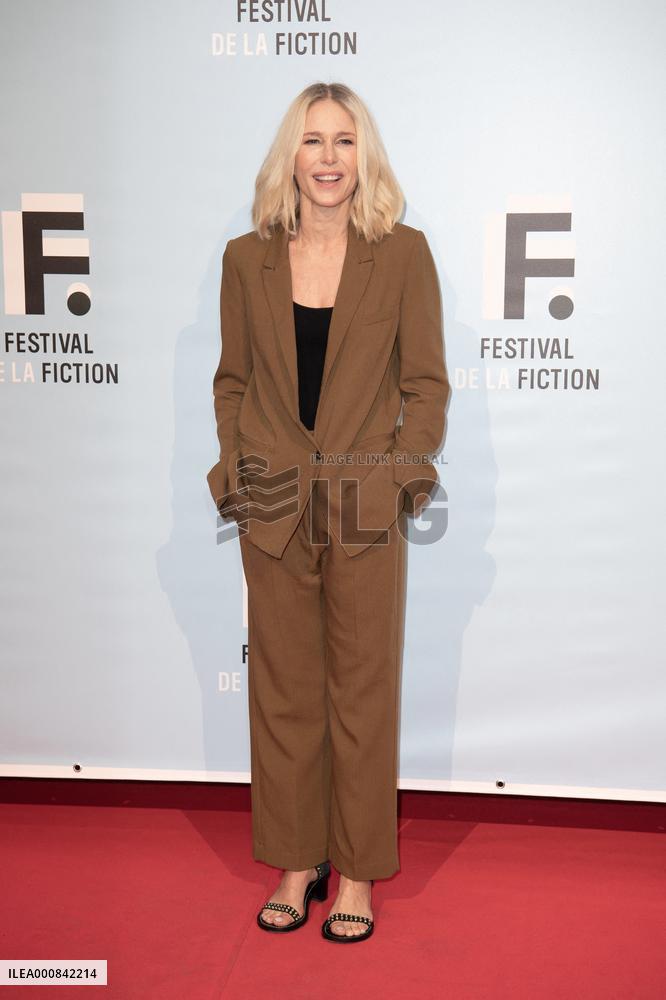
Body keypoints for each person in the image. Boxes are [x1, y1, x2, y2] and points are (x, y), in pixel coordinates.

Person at [207, 82, 449, 942]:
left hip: (364, 506)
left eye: (344, 141)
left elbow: (426, 386)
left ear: (363, 154)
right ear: (291, 156)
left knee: (362, 697)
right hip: (273, 505)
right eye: (313, 141)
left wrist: (399, 481)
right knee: (283, 698)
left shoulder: (403, 254)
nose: (329, 158)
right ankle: (295, 861)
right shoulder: (247, 259)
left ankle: (355, 872)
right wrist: (239, 479)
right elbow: (232, 383)